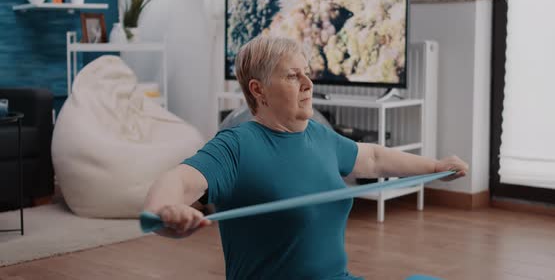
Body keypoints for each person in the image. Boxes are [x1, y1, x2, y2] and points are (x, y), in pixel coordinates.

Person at [143, 36, 468, 280]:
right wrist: (163, 211)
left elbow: (373, 157)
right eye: (292, 76)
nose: (308, 85)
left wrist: (437, 167)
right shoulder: (237, 145)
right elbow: (180, 179)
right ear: (258, 90)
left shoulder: (318, 135)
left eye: (307, 73)